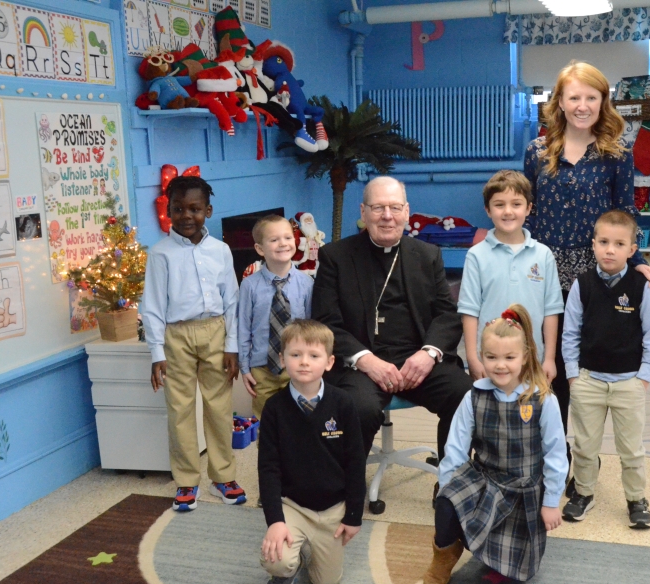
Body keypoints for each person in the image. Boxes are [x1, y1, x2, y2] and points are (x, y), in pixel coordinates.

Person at [524, 60, 650, 490]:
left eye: (591, 98)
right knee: (545, 364)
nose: (582, 106)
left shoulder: (615, 156)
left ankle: (578, 455)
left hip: (592, 272)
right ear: (559, 103)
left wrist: (639, 260)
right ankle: (554, 453)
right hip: (543, 268)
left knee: (577, 365)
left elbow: (625, 214)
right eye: (574, 97)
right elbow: (523, 208)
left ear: (604, 103)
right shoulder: (535, 151)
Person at [312, 176, 472, 489]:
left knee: (464, 393)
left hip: (416, 359)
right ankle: (348, 486)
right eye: (378, 207)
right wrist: (364, 359)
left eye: (395, 207)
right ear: (363, 210)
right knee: (359, 407)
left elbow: (446, 315)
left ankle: (452, 479)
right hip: (361, 362)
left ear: (407, 211)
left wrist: (428, 353)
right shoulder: (336, 256)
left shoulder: (427, 255)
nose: (387, 216)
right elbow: (325, 320)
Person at [423, 304, 568, 584]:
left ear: (525, 357)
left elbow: (556, 454)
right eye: (491, 357)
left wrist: (551, 502)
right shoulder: (473, 397)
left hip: (524, 490)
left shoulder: (543, 400)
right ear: (480, 357)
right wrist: (449, 494)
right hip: (485, 480)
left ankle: (491, 550)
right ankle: (445, 553)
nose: (500, 365)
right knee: (446, 499)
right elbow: (455, 449)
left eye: (509, 357)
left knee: (511, 577)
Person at [141, 176, 247, 512]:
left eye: (195, 209)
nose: (187, 216)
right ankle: (187, 481)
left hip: (215, 331)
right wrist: (157, 353)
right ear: (168, 212)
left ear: (208, 210)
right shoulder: (161, 254)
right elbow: (153, 307)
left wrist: (232, 345)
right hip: (177, 337)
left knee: (218, 407)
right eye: (178, 209)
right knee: (180, 410)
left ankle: (223, 476)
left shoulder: (221, 250)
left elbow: (232, 300)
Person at [560, 210, 650, 529]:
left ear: (632, 250)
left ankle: (636, 498)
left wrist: (644, 377)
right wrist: (573, 375)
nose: (609, 249)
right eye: (603, 242)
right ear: (593, 245)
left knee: (631, 448)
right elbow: (570, 332)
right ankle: (583, 492)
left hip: (628, 382)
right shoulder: (582, 284)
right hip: (588, 380)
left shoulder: (641, 286)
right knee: (585, 445)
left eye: (619, 244)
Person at [258, 319, 366, 584]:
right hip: (293, 505)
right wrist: (275, 521)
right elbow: (268, 469)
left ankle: (307, 554)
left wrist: (353, 515)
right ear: (282, 359)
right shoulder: (274, 408)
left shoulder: (343, 404)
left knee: (326, 582)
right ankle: (288, 569)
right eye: (295, 355)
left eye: (313, 356)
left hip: (333, 509)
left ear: (329, 362)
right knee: (276, 559)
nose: (304, 362)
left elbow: (355, 463)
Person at [458, 170, 563, 383]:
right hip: (490, 360)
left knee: (529, 414)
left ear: (528, 208)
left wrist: (549, 358)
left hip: (532, 361)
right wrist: (472, 358)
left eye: (516, 204)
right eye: (499, 205)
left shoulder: (543, 255)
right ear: (487, 210)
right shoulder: (476, 256)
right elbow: (469, 310)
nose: (508, 212)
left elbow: (551, 310)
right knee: (490, 415)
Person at [238, 214, 314, 418]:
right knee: (268, 424)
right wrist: (245, 368)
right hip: (262, 369)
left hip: (298, 366)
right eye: (274, 240)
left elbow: (310, 329)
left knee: (299, 421)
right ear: (260, 249)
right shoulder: (249, 285)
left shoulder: (306, 284)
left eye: (288, 238)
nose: (283, 244)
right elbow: (244, 329)